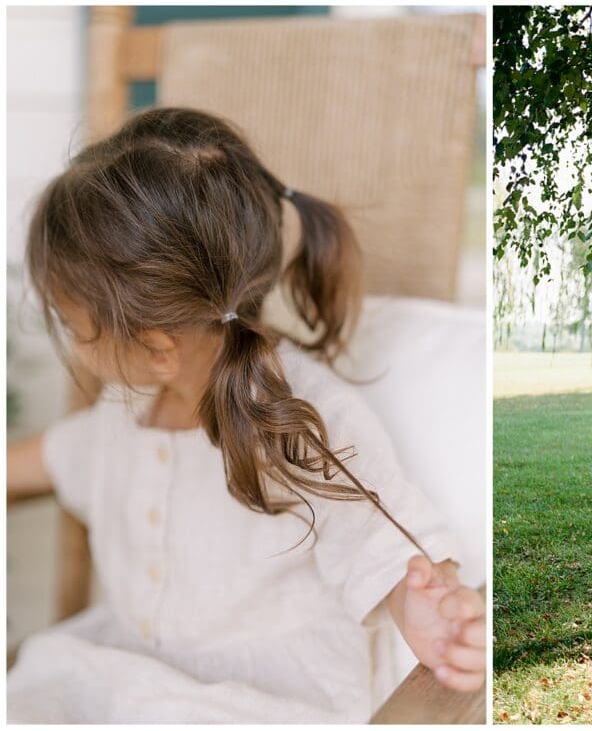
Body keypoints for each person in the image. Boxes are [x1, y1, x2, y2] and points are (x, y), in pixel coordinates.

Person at [5, 108, 484, 723]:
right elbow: (42, 459)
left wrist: (425, 606)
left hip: (263, 701)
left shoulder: (300, 415)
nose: (71, 345)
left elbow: (380, 541)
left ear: (155, 348)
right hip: (124, 673)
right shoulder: (123, 414)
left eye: (73, 326)